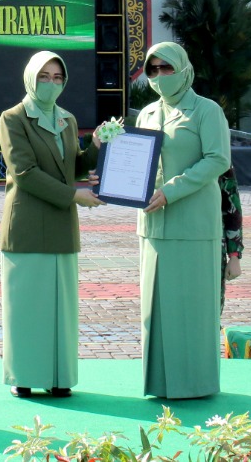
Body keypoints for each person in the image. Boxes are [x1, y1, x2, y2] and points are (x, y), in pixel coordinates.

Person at [97, 41, 229, 400]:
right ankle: (158, 383)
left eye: (165, 68)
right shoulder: (147, 114)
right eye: (152, 70)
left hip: (193, 224)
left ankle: (195, 383)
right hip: (153, 225)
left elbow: (217, 160)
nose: (158, 76)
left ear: (184, 69)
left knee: (192, 307)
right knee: (154, 307)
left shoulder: (206, 111)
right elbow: (137, 164)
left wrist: (172, 190)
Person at [0, 51, 102, 399]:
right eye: (44, 76)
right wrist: (75, 196)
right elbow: (24, 173)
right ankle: (24, 376)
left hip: (61, 224)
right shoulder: (13, 118)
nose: (51, 83)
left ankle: (60, 378)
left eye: (58, 78)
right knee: (27, 306)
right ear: (30, 78)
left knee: (61, 306)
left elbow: (70, 167)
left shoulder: (67, 120)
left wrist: (97, 148)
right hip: (27, 224)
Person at [218, 167, 244, 312]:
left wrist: (234, 256)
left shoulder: (218, 158)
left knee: (211, 309)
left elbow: (232, 208)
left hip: (212, 248)